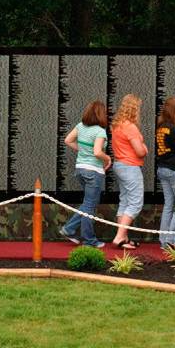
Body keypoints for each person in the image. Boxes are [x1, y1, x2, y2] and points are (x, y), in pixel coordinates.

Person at [58, 100, 111, 248]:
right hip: (93, 171)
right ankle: (89, 240)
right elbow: (97, 152)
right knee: (89, 206)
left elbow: (68, 140)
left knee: (88, 203)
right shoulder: (100, 131)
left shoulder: (80, 126)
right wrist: (108, 159)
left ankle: (68, 229)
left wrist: (81, 150)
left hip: (80, 169)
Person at [111, 94, 147, 250]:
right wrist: (145, 147)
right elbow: (140, 151)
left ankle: (123, 237)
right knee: (135, 202)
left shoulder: (117, 125)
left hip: (119, 164)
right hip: (130, 167)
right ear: (134, 109)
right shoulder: (130, 127)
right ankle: (119, 236)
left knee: (125, 201)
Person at [155, 97, 175, 249]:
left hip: (162, 169)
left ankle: (163, 239)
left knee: (168, 205)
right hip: (174, 170)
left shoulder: (160, 127)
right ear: (171, 110)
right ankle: (172, 238)